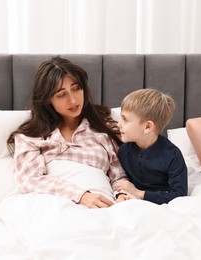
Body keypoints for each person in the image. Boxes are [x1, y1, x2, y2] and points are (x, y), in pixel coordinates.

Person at [7, 56, 130, 208]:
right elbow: (30, 180)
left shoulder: (105, 130)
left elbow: (118, 177)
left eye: (76, 88)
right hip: (53, 206)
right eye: (61, 94)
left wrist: (123, 194)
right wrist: (80, 195)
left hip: (101, 205)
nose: (72, 100)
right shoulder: (30, 137)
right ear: (47, 100)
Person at [115, 88, 188, 204]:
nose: (119, 124)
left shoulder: (172, 156)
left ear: (147, 127)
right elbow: (123, 181)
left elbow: (179, 194)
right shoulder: (124, 151)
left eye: (125, 120)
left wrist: (139, 193)